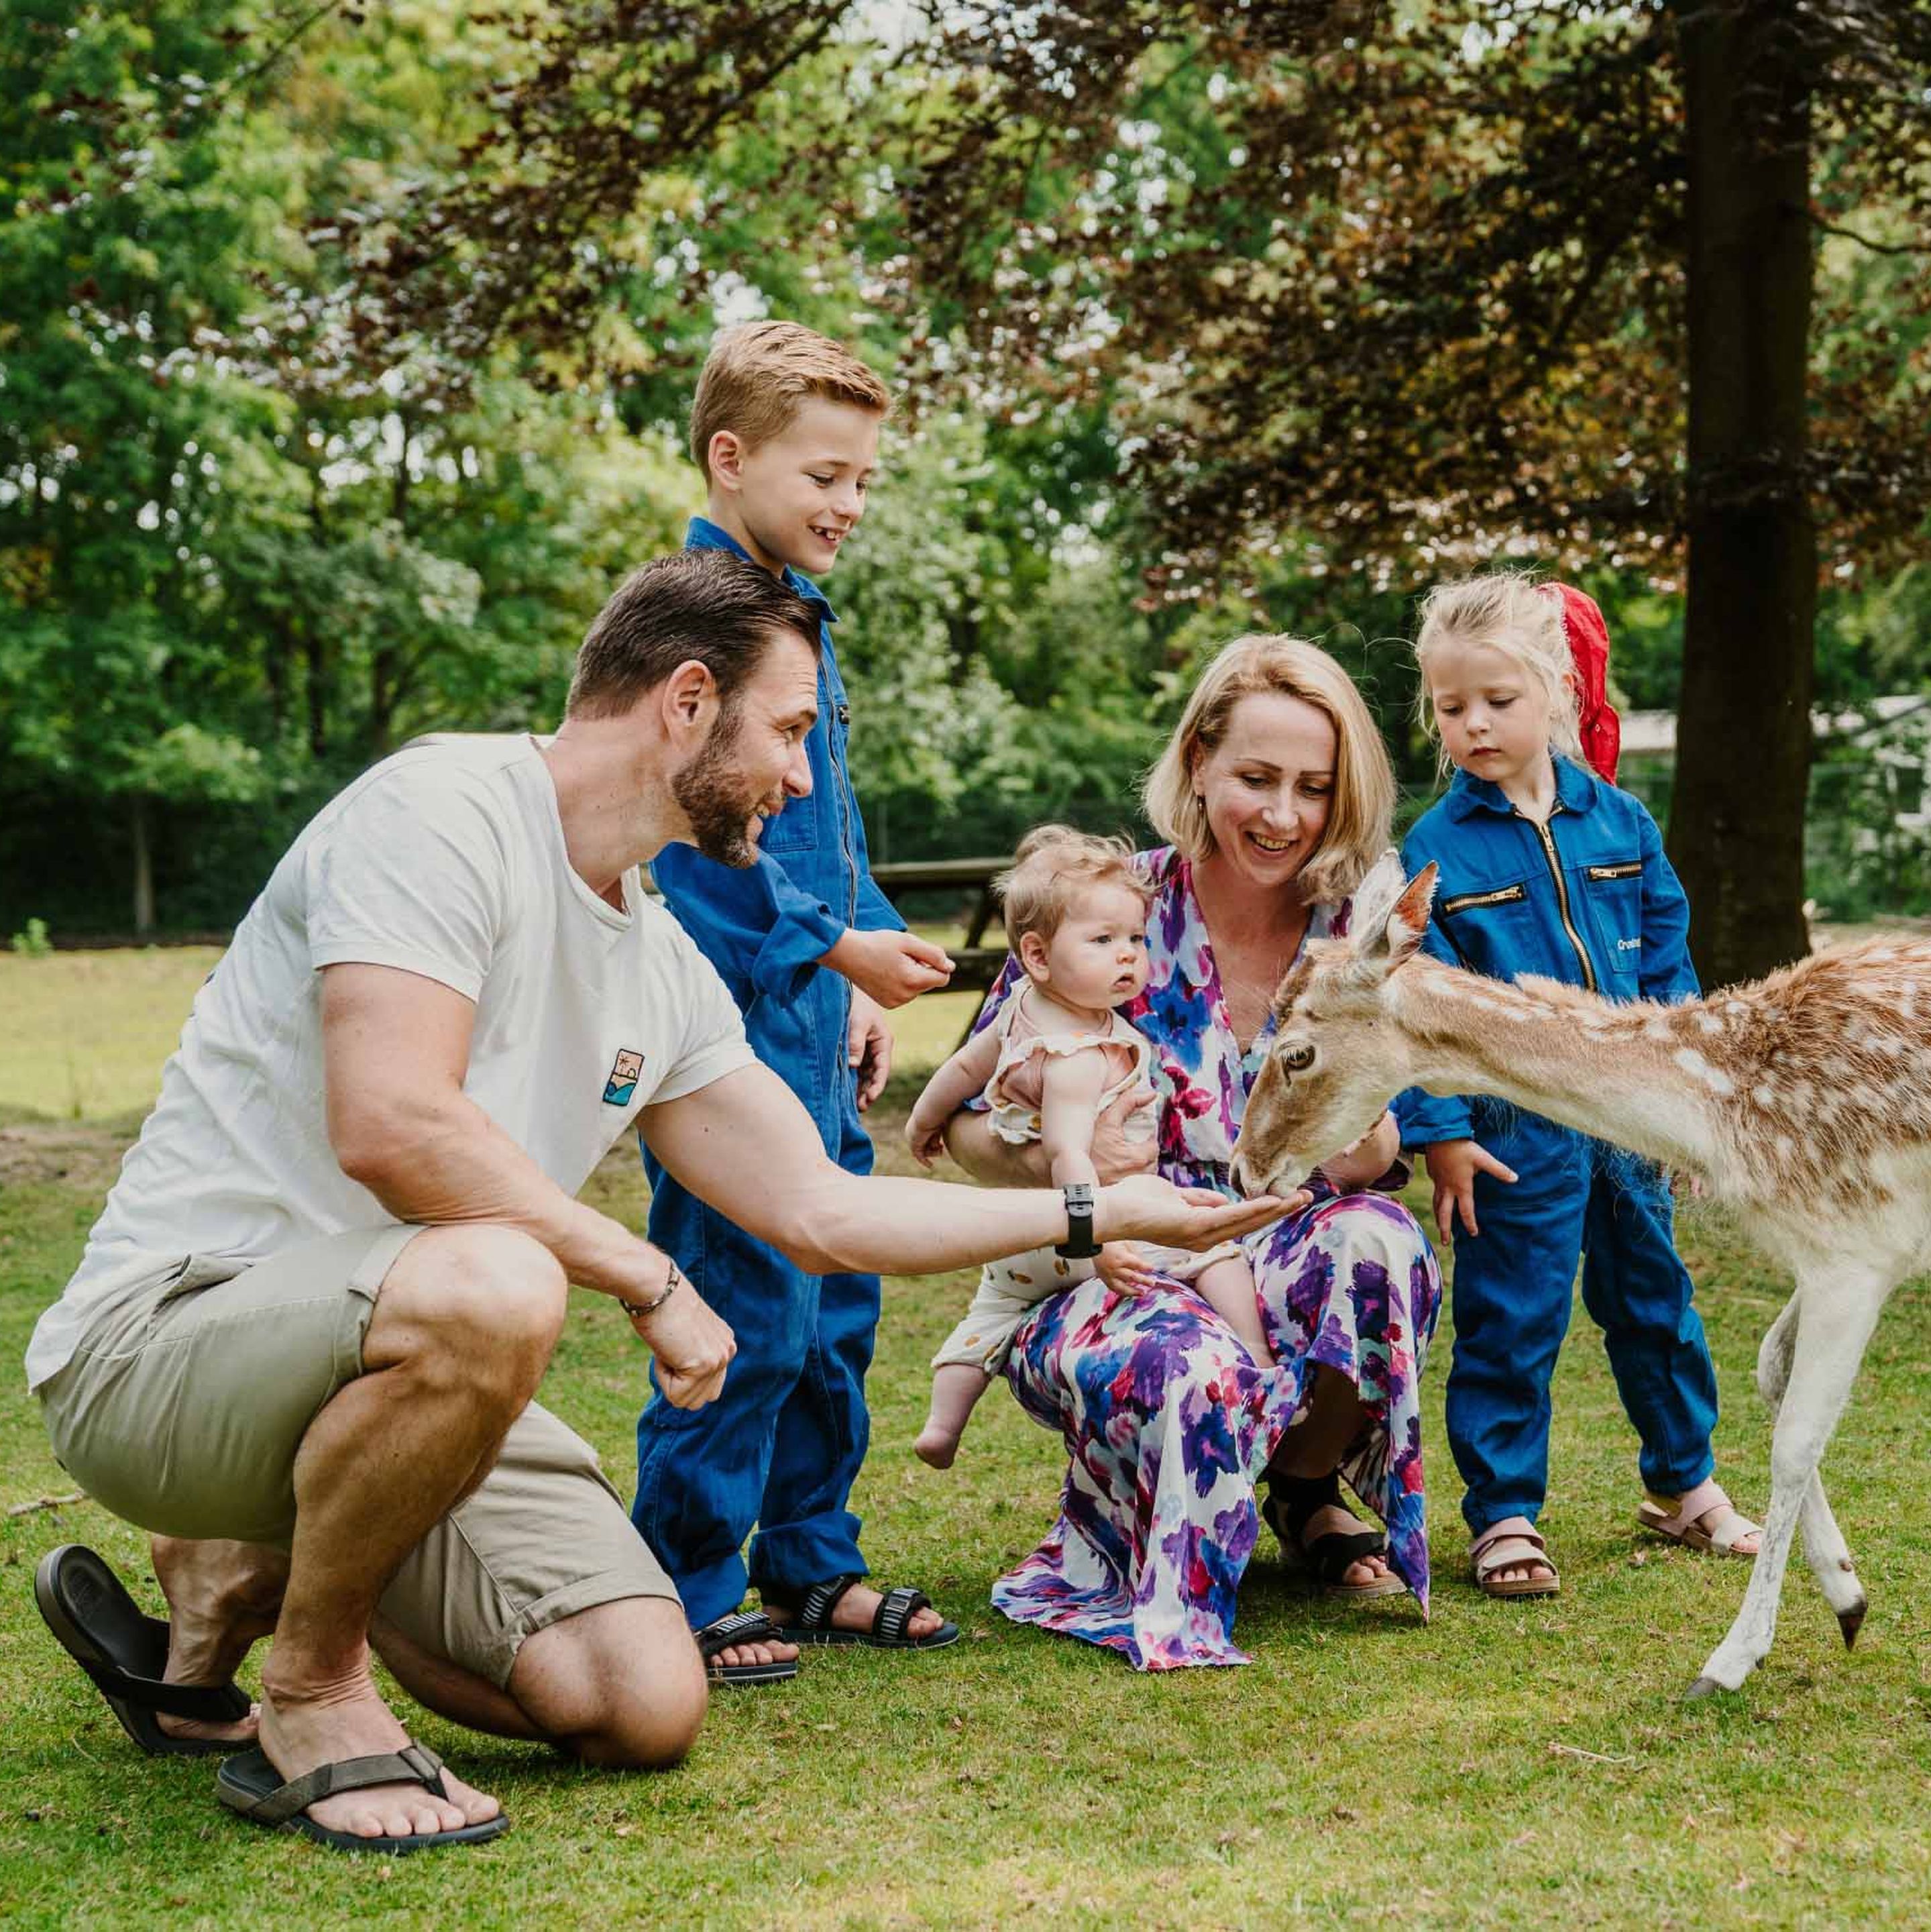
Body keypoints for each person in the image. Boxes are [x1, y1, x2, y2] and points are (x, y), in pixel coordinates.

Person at [24, 552, 1295, 1852]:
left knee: (642, 1700)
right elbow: (393, 1124)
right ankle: (311, 1692)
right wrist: (648, 1275)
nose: (803, 779)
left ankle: (251, 1566)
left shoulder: (658, 957)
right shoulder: (440, 812)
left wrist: (1103, 1217)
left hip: (400, 1358)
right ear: (688, 702)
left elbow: (821, 1210)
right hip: (166, 1345)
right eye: (789, 732)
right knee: (501, 1279)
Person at [918, 634, 1443, 1669]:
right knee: (1191, 1355)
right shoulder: (1108, 909)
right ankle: (1142, 1542)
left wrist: (1365, 1136)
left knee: (1380, 1242)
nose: (1283, 815)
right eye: (1257, 778)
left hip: (1271, 1239)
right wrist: (1088, 1178)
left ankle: (1302, 1485)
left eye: (1313, 788)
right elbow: (968, 1129)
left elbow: (1384, 1147)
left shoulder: (1355, 933)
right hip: (1112, 1253)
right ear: (1199, 761)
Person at [630, 321, 958, 1680]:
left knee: (836, 1313)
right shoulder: (686, 624)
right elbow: (693, 851)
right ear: (730, 456)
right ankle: (687, 1586)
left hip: (821, 1029)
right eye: (827, 474)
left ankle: (813, 1561)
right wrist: (837, 953)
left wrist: (860, 971)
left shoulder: (798, 614)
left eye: (865, 479)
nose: (851, 502)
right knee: (744, 1312)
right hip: (726, 1039)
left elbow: (834, 821)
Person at [1394, 573, 1760, 1600]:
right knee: (1512, 1318)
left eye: (1497, 701)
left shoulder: (1624, 825)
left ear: (1557, 691)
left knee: (1655, 1302)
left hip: (1632, 1118)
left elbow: (1670, 966)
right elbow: (1414, 1003)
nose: (1473, 724)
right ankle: (1505, 1512)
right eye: (1451, 706)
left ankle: (1683, 1485)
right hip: (1515, 1134)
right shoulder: (1435, 850)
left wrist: (1689, 1102)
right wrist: (1442, 1133)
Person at [908, 829, 1274, 1469]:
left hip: (1023, 1232)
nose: (1128, 955)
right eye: (1103, 941)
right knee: (1212, 1244)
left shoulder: (1019, 1009)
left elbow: (963, 1070)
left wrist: (923, 1122)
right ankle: (1260, 1360)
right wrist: (1095, 1240)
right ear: (1037, 955)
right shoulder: (1083, 1056)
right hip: (1087, 1225)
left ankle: (943, 1424)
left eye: (1136, 938)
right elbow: (1069, 1155)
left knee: (991, 1312)